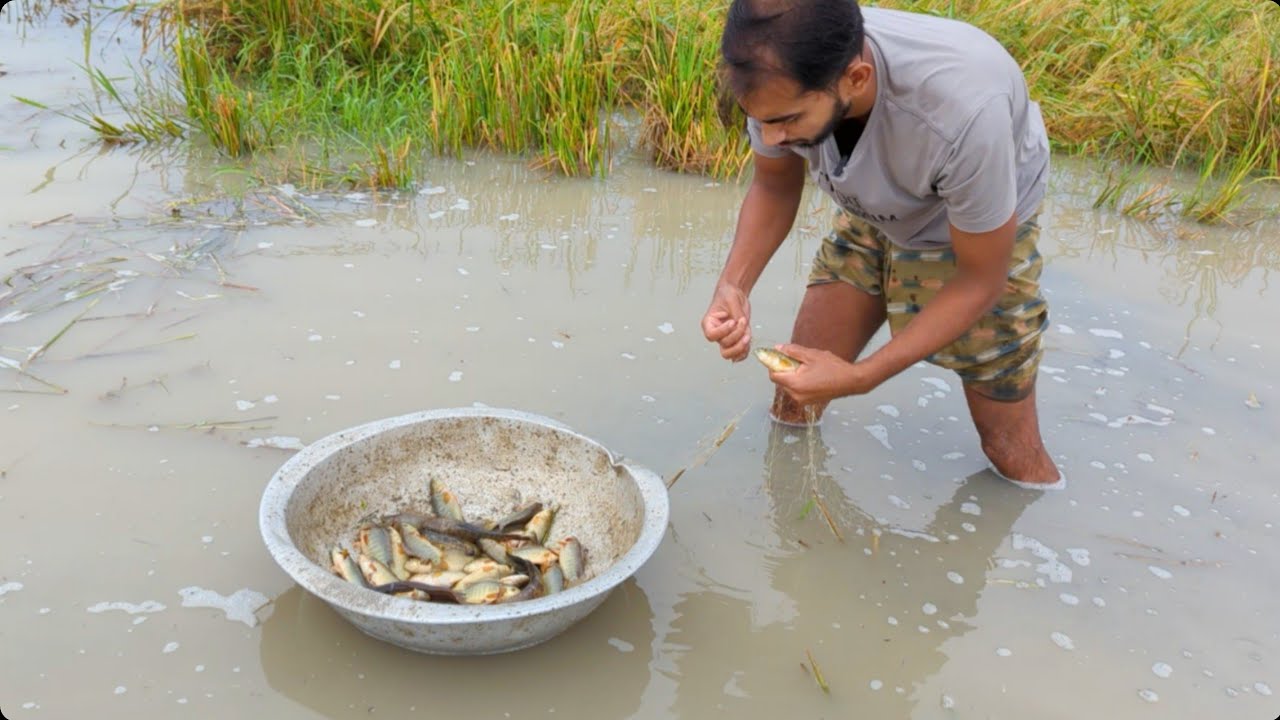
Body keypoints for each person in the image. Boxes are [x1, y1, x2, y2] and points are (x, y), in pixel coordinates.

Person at [701, 0, 1065, 489]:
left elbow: (982, 278)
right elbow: (773, 185)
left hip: (975, 236)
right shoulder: (776, 69)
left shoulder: (963, 111)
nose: (771, 136)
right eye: (759, 120)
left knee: (1010, 456)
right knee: (794, 401)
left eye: (786, 120)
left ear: (856, 77)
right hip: (875, 207)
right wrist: (734, 286)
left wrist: (862, 377)